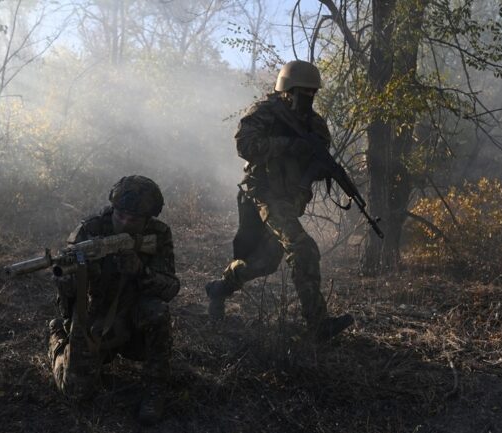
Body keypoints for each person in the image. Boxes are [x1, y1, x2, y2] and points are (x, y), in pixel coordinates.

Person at [205, 60, 354, 341]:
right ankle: (317, 324)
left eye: (313, 93)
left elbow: (315, 160)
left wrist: (319, 168)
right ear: (286, 89)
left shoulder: (315, 125)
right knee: (303, 247)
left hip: (288, 198)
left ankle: (219, 288)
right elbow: (244, 146)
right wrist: (287, 145)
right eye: (302, 92)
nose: (308, 98)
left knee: (265, 263)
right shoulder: (265, 113)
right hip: (261, 195)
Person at [48, 175, 180, 425]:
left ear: (148, 219)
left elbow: (171, 288)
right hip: (95, 315)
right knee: (76, 393)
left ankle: (155, 389)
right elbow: (67, 292)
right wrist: (74, 276)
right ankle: (56, 337)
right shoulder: (90, 230)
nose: (125, 223)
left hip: (134, 314)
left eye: (134, 220)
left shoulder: (158, 234)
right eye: (120, 216)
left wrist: (141, 270)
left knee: (158, 311)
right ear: (113, 208)